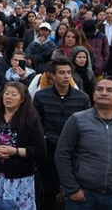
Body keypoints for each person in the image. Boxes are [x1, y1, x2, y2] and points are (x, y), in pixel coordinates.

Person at [55, 77, 112, 210]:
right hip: (83, 197)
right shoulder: (77, 119)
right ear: (93, 96)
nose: (103, 93)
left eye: (109, 90)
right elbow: (62, 155)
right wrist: (72, 188)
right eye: (99, 89)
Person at [0, 82, 47, 210]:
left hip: (19, 179)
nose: (8, 97)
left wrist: (15, 151)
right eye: (6, 93)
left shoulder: (31, 119)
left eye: (14, 94)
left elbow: (40, 150)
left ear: (22, 99)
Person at [33, 59, 91, 210]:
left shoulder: (82, 98)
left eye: (68, 73)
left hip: (74, 152)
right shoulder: (41, 97)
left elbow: (86, 124)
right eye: (62, 73)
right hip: (49, 151)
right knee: (49, 191)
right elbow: (36, 124)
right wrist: (46, 138)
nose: (66, 76)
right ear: (52, 75)